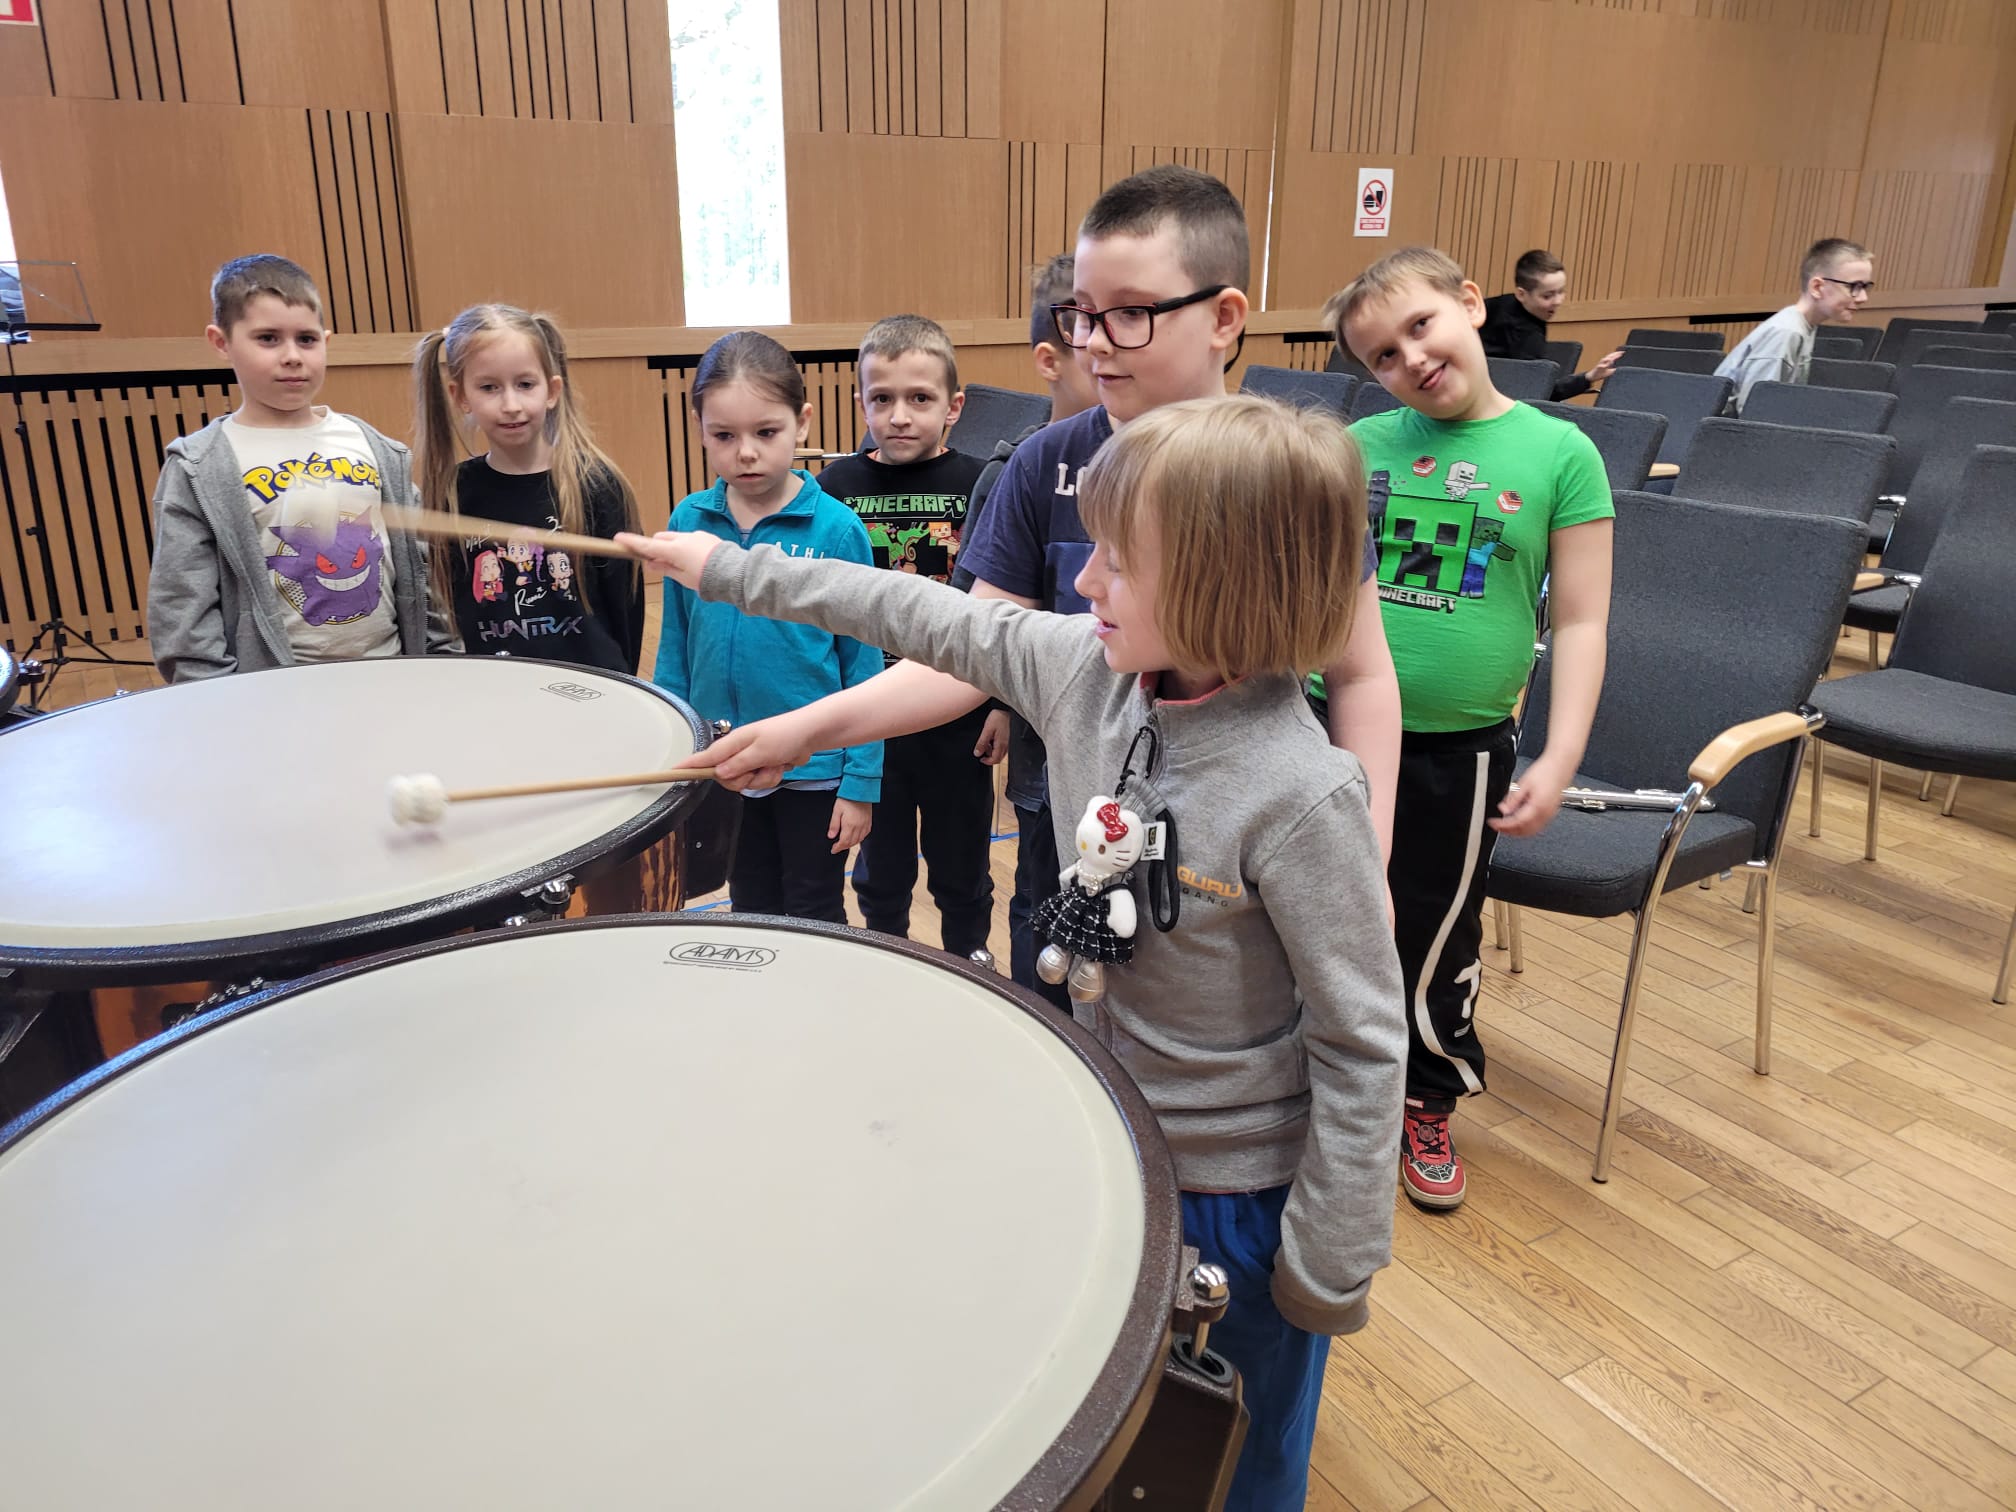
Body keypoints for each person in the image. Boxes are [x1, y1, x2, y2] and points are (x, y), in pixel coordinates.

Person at [621, 393, 1405, 1512]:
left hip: (1238, 1194)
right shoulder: (1084, 667)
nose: (1083, 583)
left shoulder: (1304, 795)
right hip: (1107, 1130)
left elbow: (1364, 1041)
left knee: (1237, 1446)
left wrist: (1327, 1263)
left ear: (1223, 585)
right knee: (1117, 1421)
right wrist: (724, 569)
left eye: (1117, 563)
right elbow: (914, 611)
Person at [1326, 245, 1613, 1212]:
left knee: (1434, 930)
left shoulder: (1561, 453)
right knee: (1317, 912)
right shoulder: (1357, 449)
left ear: (1470, 304)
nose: (1409, 358)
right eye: (1382, 355)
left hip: (1461, 748)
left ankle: (1427, 1093)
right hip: (1328, 728)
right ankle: (1320, 1078)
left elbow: (1580, 621)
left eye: (1420, 326)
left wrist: (1562, 753)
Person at [652, 331, 881, 923]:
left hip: (815, 770)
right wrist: (674, 747)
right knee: (748, 904)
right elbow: (676, 646)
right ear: (700, 429)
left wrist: (859, 781)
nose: (746, 453)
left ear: (802, 423)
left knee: (813, 909)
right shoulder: (689, 521)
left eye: (766, 432)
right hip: (724, 762)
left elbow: (863, 666)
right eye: (725, 436)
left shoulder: (837, 530)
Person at [148, 254, 450, 681]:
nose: (292, 356)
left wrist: (443, 660)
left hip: (390, 673)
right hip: (276, 691)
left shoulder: (377, 450)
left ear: (326, 341)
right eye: (268, 339)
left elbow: (423, 575)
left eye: (307, 340)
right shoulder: (199, 467)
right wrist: (213, 697)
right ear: (221, 342)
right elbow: (181, 604)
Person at [814, 314, 993, 959]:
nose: (899, 416)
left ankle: (973, 968)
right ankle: (889, 965)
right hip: (872, 717)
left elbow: (1003, 608)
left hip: (957, 717)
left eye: (920, 399)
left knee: (962, 871)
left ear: (954, 407)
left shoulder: (981, 484)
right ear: (860, 401)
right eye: (881, 399)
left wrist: (1002, 705)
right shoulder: (834, 488)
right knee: (881, 872)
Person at [956, 253, 1101, 1000]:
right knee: (1043, 920)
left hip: (1170, 791)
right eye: (1089, 324)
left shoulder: (1254, 464)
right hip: (1050, 769)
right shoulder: (1032, 466)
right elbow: (986, 632)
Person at [411, 304, 643, 673]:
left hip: (591, 687)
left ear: (552, 390)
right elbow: (455, 608)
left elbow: (626, 610)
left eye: (525, 384)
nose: (511, 405)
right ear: (461, 397)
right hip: (500, 687)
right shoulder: (453, 492)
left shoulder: (598, 484)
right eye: (489, 387)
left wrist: (621, 683)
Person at [1716, 237, 1874, 412]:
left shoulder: (1803, 326)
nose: (1863, 297)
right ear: (1817, 287)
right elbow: (1754, 412)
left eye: (1865, 287)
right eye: (1854, 286)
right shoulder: (1786, 332)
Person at [1478, 249, 1622, 401]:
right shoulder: (1527, 335)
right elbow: (1540, 393)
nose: (1558, 301)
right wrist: (1589, 377)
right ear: (1521, 294)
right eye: (1547, 296)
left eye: (1561, 291)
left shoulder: (1492, 305)